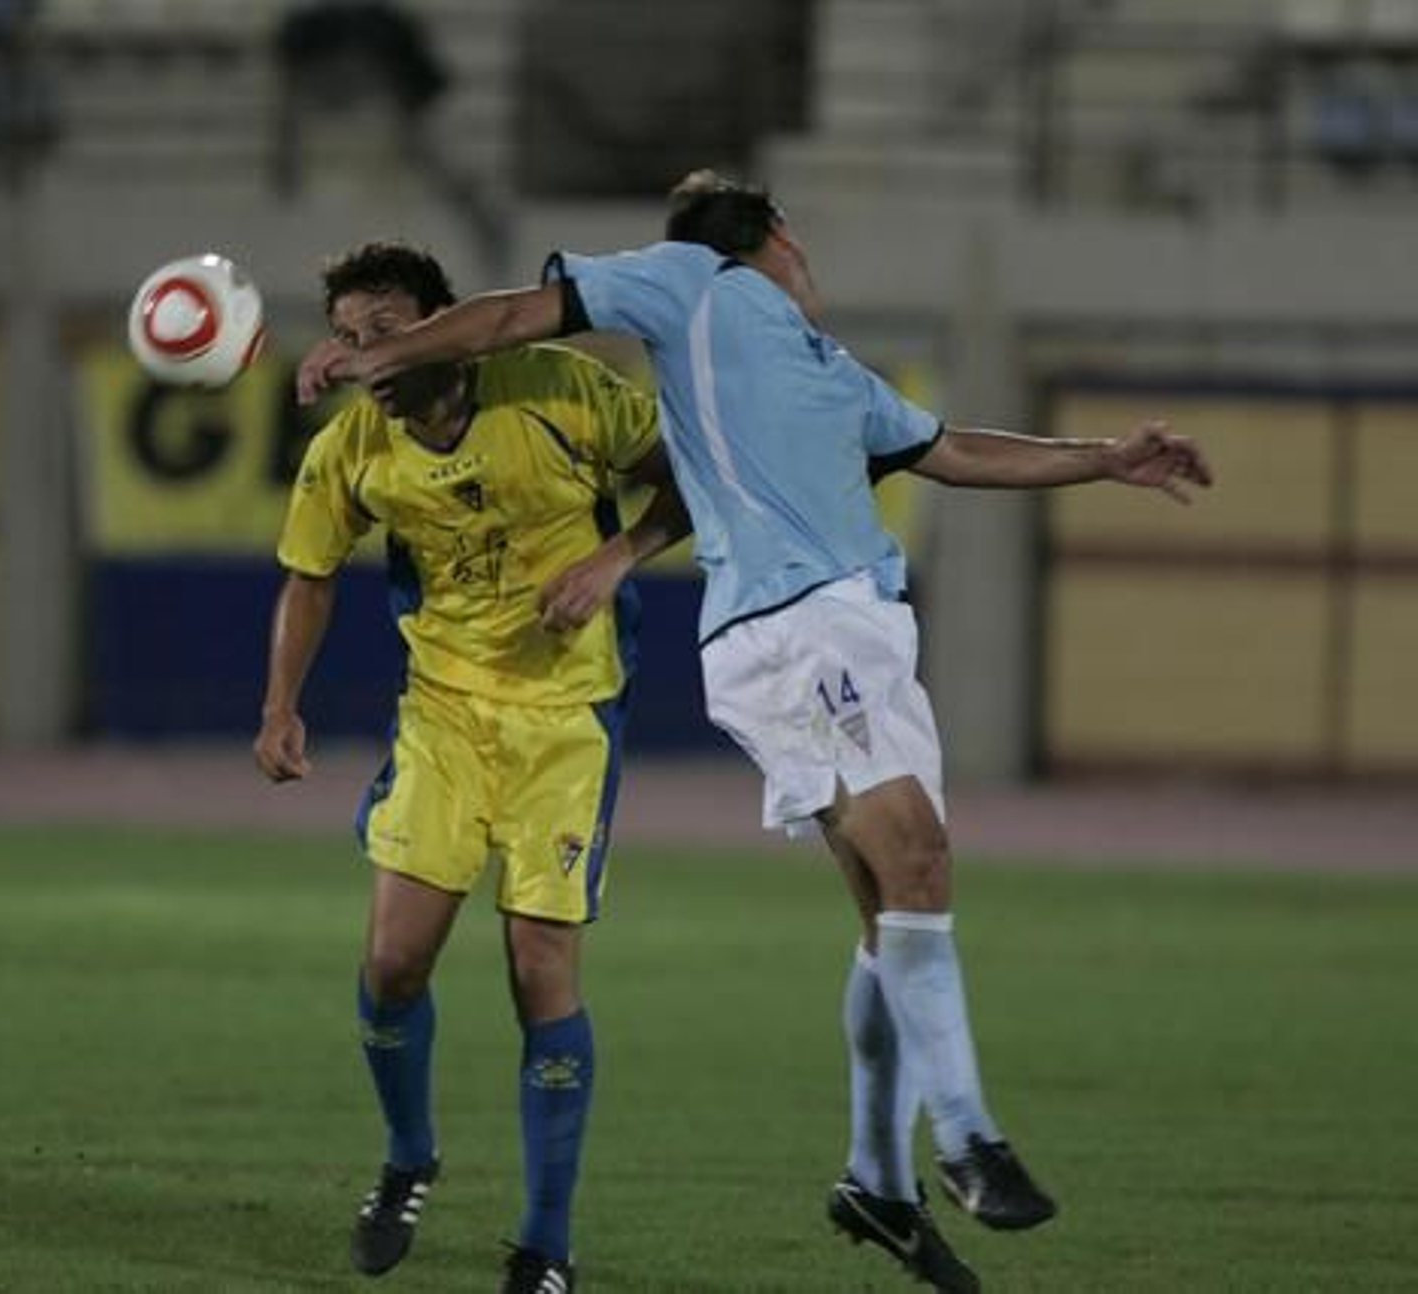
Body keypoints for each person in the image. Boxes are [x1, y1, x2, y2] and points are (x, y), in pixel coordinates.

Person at [295, 175, 1213, 1294]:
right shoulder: (692, 281)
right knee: (915, 856)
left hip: (867, 631)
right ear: (780, 238)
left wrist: (1103, 457)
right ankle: (966, 1134)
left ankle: (877, 1177)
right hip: (786, 628)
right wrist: (381, 356)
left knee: (894, 910)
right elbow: (504, 317)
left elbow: (949, 448)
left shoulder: (825, 368)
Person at [256, 241, 685, 1294]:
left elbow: (695, 484)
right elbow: (308, 575)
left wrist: (614, 556)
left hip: (566, 718)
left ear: (446, 323)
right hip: (443, 715)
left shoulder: (561, 391)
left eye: (387, 332)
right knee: (393, 965)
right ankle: (408, 1157)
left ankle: (544, 1245)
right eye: (349, 337)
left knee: (539, 968)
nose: (365, 358)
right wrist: (278, 707)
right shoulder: (356, 446)